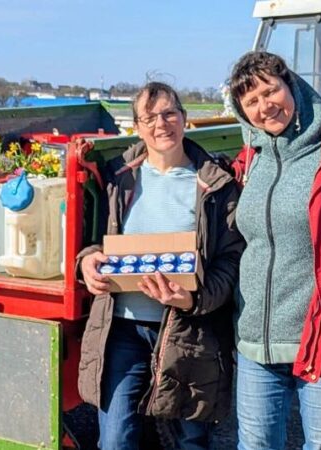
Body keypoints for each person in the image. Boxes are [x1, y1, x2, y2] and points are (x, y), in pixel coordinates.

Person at [78, 82, 244, 450]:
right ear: (136, 127)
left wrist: (193, 300)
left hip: (190, 333)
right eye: (149, 117)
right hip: (124, 330)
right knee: (116, 439)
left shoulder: (215, 184)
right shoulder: (119, 178)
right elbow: (93, 240)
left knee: (190, 441)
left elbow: (231, 260)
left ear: (184, 118)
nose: (161, 124)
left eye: (169, 113)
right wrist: (88, 261)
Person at [228, 51, 321, 449]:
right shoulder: (250, 160)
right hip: (256, 337)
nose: (264, 106)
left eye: (270, 90)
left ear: (290, 85)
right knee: (257, 444)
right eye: (251, 101)